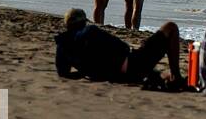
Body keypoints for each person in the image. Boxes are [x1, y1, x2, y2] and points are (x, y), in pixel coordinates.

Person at [55, 8, 184, 86]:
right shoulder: (91, 32)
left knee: (154, 71)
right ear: (83, 22)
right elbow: (123, 48)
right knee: (171, 27)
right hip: (131, 67)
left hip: (113, 77)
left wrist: (86, 73)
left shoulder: (62, 45)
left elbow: (63, 73)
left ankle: (161, 75)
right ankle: (176, 76)